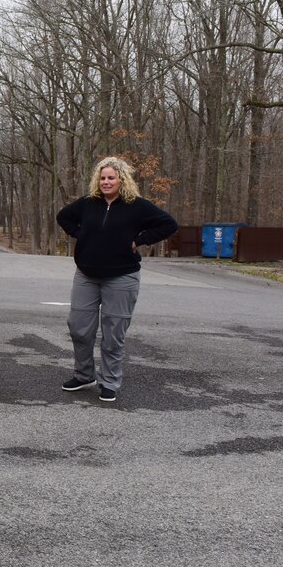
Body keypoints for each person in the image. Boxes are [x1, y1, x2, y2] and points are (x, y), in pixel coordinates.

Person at [56, 155, 178, 402]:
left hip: (122, 277)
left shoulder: (138, 206)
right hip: (86, 275)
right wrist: (81, 235)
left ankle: (109, 381)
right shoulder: (88, 203)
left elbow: (169, 224)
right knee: (79, 327)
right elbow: (63, 217)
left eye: (111, 177)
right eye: (102, 178)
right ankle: (84, 375)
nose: (106, 182)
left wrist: (139, 240)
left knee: (113, 334)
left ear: (121, 179)